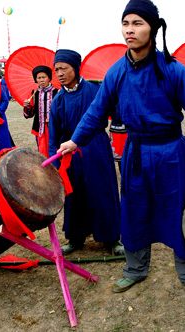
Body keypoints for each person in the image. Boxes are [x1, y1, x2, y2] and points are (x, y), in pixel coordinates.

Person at [57, 0, 185, 301]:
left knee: (178, 210)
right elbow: (96, 112)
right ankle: (135, 269)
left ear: (153, 27)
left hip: (171, 151)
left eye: (137, 23)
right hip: (135, 152)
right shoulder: (116, 73)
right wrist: (75, 140)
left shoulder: (174, 70)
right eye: (126, 24)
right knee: (134, 211)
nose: (130, 30)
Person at [49, 49, 123, 256]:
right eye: (57, 70)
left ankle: (112, 239)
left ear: (75, 67)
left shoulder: (95, 90)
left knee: (102, 192)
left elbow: (117, 112)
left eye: (64, 68)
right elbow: (53, 135)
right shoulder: (58, 100)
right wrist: (54, 165)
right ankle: (75, 238)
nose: (60, 73)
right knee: (75, 195)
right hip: (69, 154)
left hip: (96, 147)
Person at [23, 65, 58, 158]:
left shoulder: (57, 92)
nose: (41, 80)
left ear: (49, 78)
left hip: (55, 128)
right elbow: (29, 115)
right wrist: (27, 106)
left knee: (55, 149)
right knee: (42, 152)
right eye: (39, 78)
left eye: (44, 77)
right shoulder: (34, 93)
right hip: (40, 128)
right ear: (36, 79)